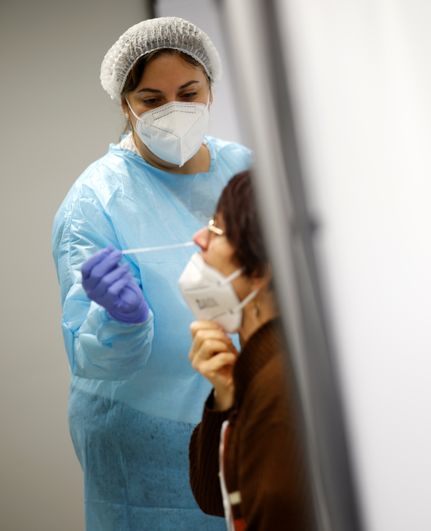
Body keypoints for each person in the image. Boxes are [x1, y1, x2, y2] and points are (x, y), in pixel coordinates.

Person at [51, 17, 251, 530]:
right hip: (145, 440)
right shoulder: (94, 203)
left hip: (241, 412)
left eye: (189, 92)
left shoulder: (244, 172)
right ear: (125, 104)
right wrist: (120, 319)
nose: (174, 112)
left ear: (211, 88)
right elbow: (94, 360)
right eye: (152, 100)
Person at [185, 171, 312, 530]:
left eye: (216, 230)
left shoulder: (279, 390)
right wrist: (226, 396)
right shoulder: (262, 370)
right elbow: (218, 499)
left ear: (261, 271)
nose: (198, 239)